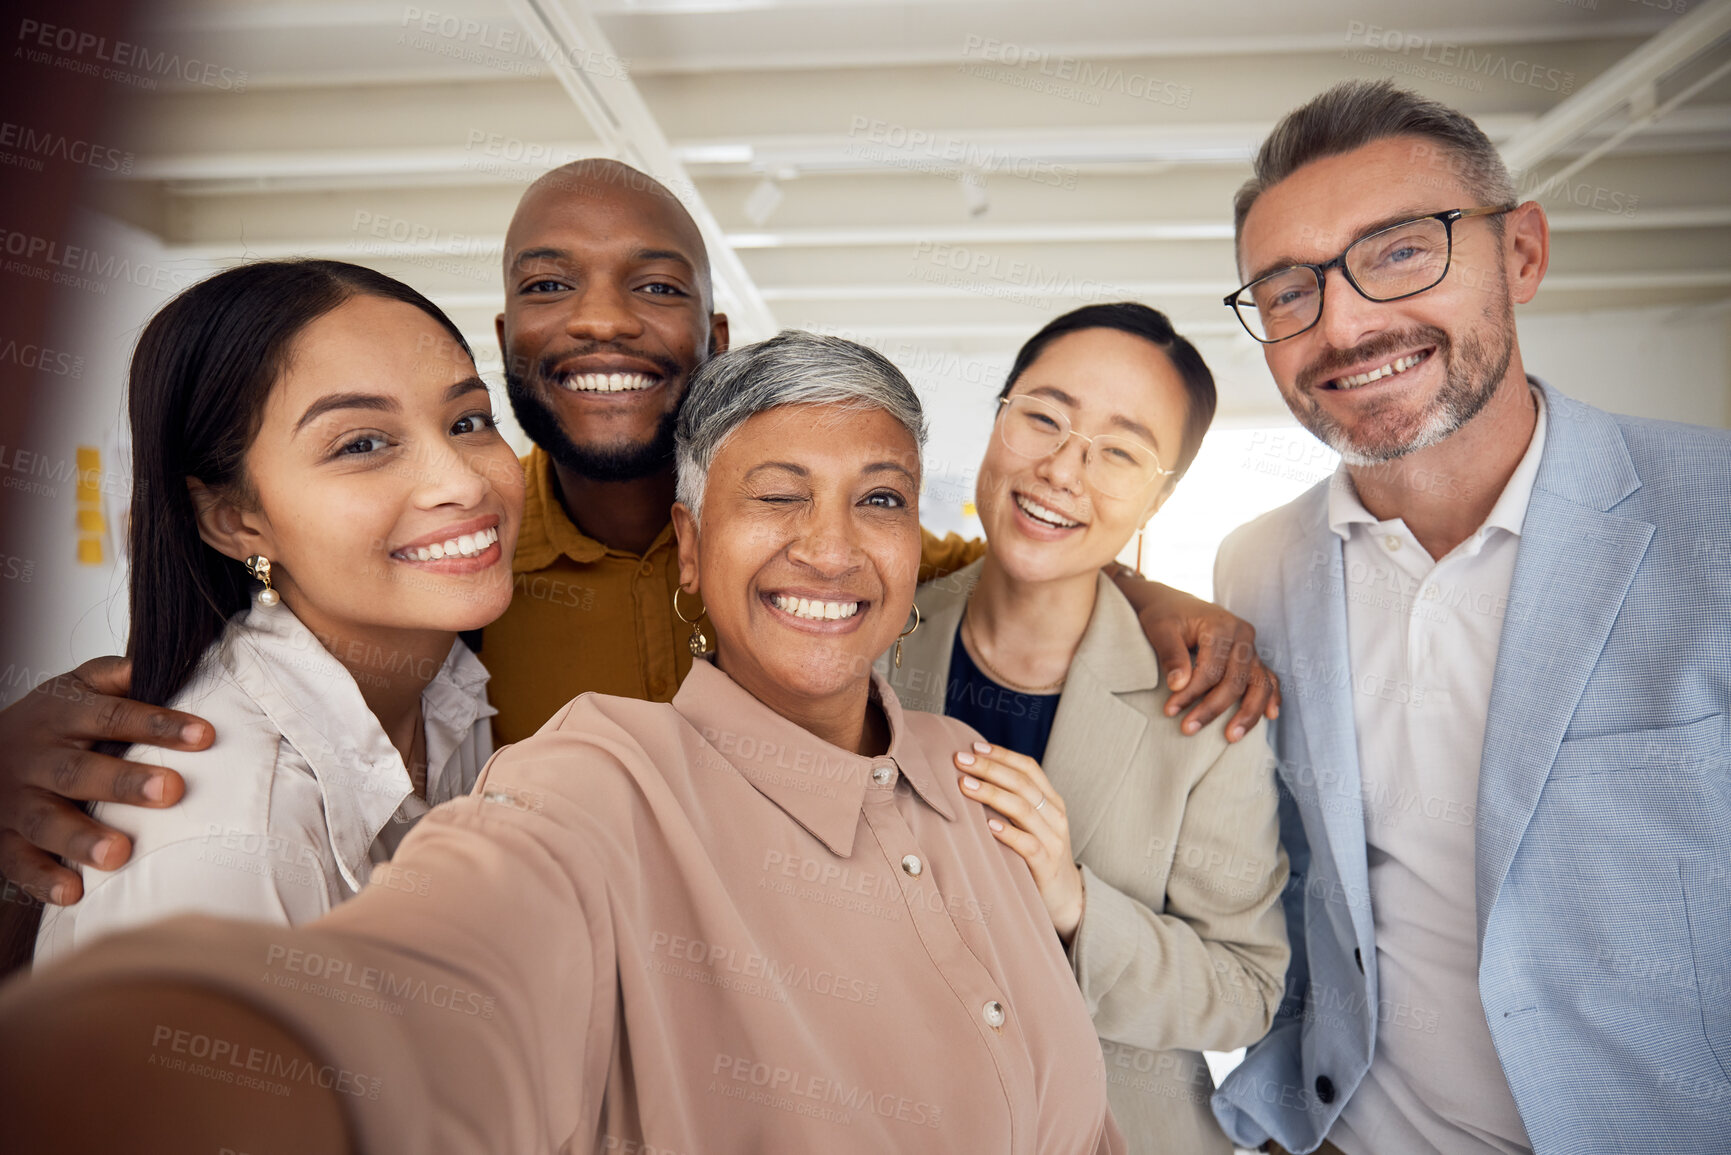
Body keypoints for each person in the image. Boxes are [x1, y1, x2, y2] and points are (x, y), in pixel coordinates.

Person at [0, 159, 1279, 922]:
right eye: (548, 286)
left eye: (658, 287)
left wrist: (1153, 594)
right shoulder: (460, 588)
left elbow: (1007, 559)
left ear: (715, 343)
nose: (602, 324)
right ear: (506, 346)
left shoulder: (819, 558)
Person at [0, 332, 1126, 1155]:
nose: (832, 550)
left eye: (879, 500)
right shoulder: (594, 782)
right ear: (689, 548)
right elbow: (449, 979)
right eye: (777, 497)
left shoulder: (977, 781)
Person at [1206, 80, 1731, 1154]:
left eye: (1400, 251)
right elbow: (1303, 893)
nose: (1343, 324)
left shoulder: (1713, 516)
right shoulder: (1254, 568)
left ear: (1522, 254)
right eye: (1288, 290)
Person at [35, 260, 523, 964]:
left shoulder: (445, 687)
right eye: (361, 444)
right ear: (235, 520)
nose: (462, 480)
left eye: (468, 420)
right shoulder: (224, 831)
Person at [887, 302, 1290, 1154]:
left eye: (1119, 450)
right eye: (1042, 418)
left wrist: (1073, 905)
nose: (1065, 469)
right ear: (996, 422)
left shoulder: (1207, 708)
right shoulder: (869, 650)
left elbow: (1247, 988)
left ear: (1160, 494)